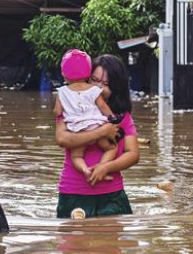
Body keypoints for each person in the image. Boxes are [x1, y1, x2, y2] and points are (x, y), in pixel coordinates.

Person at [54, 54, 140, 218]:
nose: (99, 88)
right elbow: (62, 139)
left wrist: (106, 167)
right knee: (72, 243)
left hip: (112, 195)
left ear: (117, 87)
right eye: (94, 80)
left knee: (112, 243)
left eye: (106, 84)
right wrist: (102, 132)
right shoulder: (70, 110)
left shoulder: (121, 116)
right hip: (73, 193)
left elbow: (133, 154)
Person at [53, 49, 122, 180]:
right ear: (88, 74)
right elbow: (102, 106)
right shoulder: (94, 90)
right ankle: (101, 169)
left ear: (64, 75)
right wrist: (112, 119)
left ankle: (86, 170)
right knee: (111, 148)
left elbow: (57, 112)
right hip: (96, 125)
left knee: (76, 156)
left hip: (77, 128)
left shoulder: (62, 92)